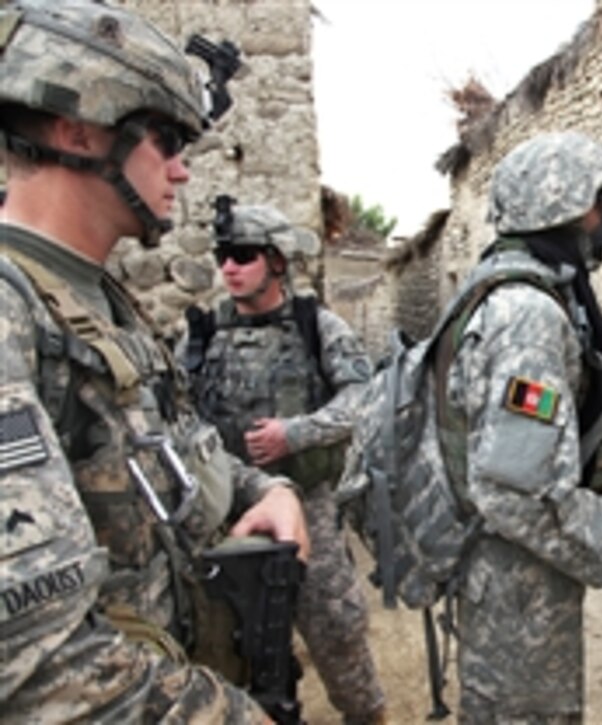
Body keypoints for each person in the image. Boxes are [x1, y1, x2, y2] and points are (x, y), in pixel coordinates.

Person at [0, 0, 309, 720]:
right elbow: (34, 664)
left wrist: (258, 490)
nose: (181, 172)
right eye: (166, 140)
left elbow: (161, 450)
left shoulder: (94, 295)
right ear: (77, 130)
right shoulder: (14, 311)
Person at [449, 130, 602, 722]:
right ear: (573, 209)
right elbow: (513, 494)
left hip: (513, 580)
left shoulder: (519, 290)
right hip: (516, 591)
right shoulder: (528, 316)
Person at [180, 199, 386, 724]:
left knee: (336, 630)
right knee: (229, 642)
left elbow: (364, 399)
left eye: (244, 255)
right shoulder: (202, 332)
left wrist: (294, 435)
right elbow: (174, 412)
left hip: (307, 508)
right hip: (226, 513)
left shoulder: (316, 325)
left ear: (278, 261)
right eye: (224, 255)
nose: (229, 266)